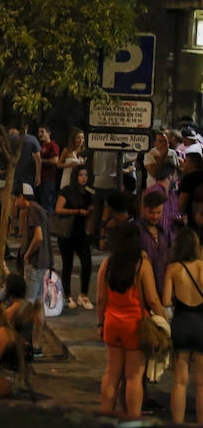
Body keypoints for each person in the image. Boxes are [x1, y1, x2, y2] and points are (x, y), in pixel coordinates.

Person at [97, 227, 165, 419]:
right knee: (134, 378)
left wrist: (100, 324)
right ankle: (133, 420)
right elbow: (152, 300)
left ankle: (104, 416)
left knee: (111, 374)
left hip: (112, 322)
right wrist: (163, 322)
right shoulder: (142, 265)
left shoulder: (107, 264)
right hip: (135, 325)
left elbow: (101, 299)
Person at [163, 228, 203, 423]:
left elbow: (166, 300)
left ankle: (177, 423)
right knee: (202, 383)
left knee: (179, 381)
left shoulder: (172, 269)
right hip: (201, 324)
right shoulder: (202, 266)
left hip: (181, 324)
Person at [55, 164, 94, 310]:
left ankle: (83, 294)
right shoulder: (67, 190)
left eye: (85, 175)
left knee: (87, 263)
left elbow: (89, 212)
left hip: (81, 233)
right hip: (67, 233)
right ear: (75, 176)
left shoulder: (87, 193)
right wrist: (77, 211)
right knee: (68, 264)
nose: (83, 178)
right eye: (81, 175)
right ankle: (68, 295)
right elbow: (58, 209)